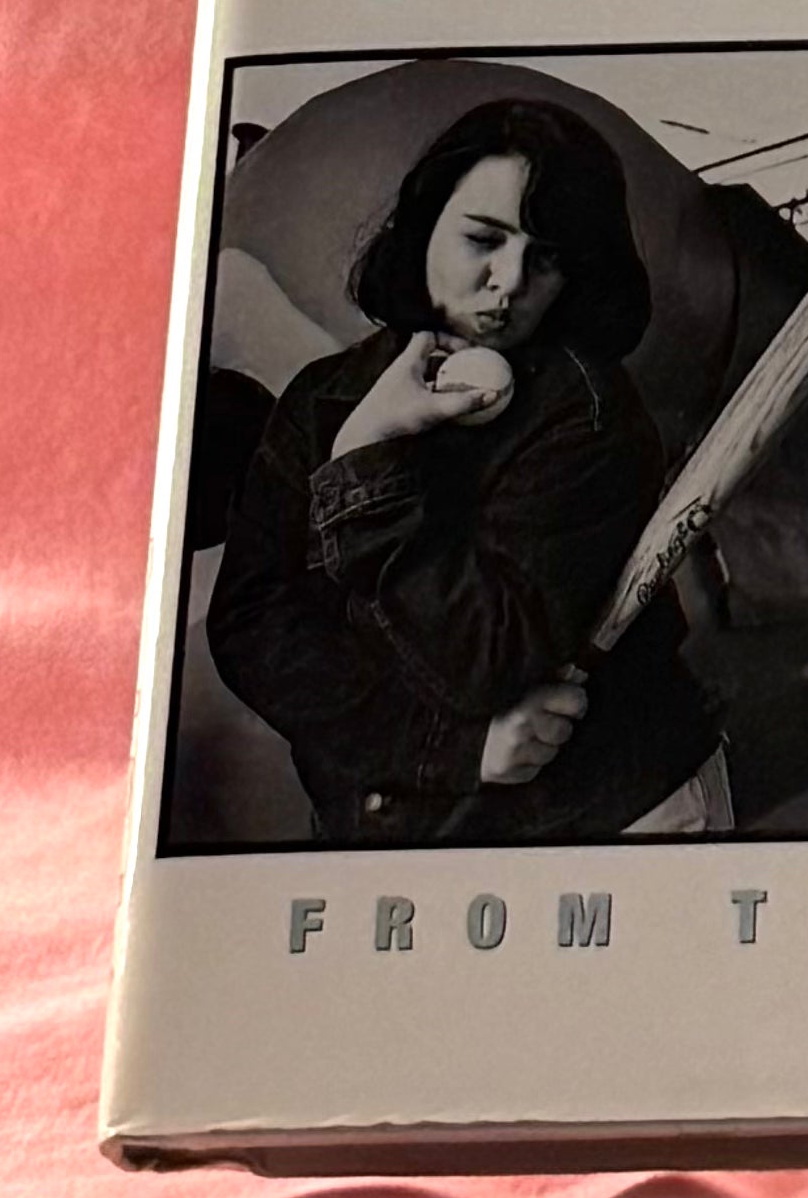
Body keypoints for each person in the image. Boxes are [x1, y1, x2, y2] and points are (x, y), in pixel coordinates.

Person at [203, 100, 719, 846]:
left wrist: (367, 467)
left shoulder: (589, 411)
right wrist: (453, 750)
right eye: (483, 237)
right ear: (423, 227)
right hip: (393, 832)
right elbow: (251, 628)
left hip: (603, 819)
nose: (508, 280)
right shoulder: (323, 398)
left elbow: (487, 660)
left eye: (546, 257)